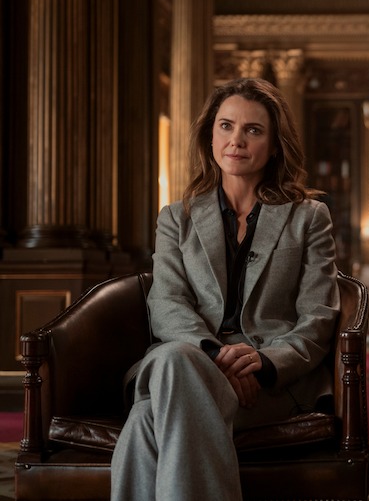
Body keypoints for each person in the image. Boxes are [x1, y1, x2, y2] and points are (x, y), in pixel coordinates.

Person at [111, 77, 340, 501]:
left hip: (268, 381)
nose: (236, 140)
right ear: (209, 135)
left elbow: (318, 318)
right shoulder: (175, 218)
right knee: (177, 361)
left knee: (147, 418)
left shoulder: (308, 218)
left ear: (274, 145)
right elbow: (166, 303)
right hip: (193, 359)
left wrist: (261, 361)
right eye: (226, 126)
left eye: (253, 130)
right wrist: (215, 357)